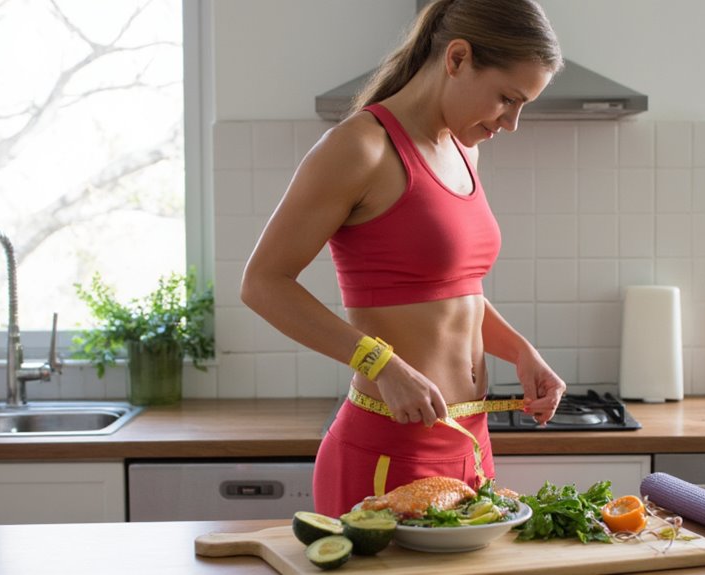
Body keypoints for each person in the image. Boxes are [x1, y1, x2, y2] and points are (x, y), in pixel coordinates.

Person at [241, 0, 566, 517]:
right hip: (388, 450)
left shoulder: (464, 150)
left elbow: (449, 294)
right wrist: (381, 363)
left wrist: (520, 350)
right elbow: (263, 283)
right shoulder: (359, 148)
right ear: (456, 58)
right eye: (507, 98)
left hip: (470, 441)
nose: (512, 122)